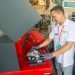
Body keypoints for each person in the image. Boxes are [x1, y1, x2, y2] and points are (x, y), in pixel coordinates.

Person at [34, 6, 75, 75]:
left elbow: (68, 45)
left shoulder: (72, 26)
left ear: (61, 14)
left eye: (54, 16)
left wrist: (51, 54)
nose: (53, 19)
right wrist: (38, 47)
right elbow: (49, 39)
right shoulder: (56, 27)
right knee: (58, 72)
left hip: (67, 61)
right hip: (57, 58)